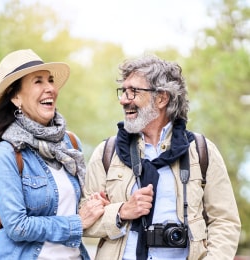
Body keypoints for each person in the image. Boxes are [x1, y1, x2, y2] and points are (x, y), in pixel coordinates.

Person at [81, 54, 241, 260]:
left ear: (162, 98)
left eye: (133, 92)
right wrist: (121, 211)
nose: (123, 100)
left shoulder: (202, 151)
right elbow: (83, 221)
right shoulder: (107, 152)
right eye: (123, 91)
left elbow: (225, 222)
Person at [0, 49, 107, 259]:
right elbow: (18, 226)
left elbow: (79, 206)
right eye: (38, 81)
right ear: (16, 96)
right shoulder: (5, 153)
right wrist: (78, 222)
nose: (50, 88)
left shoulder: (70, 143)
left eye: (51, 80)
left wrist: (99, 203)